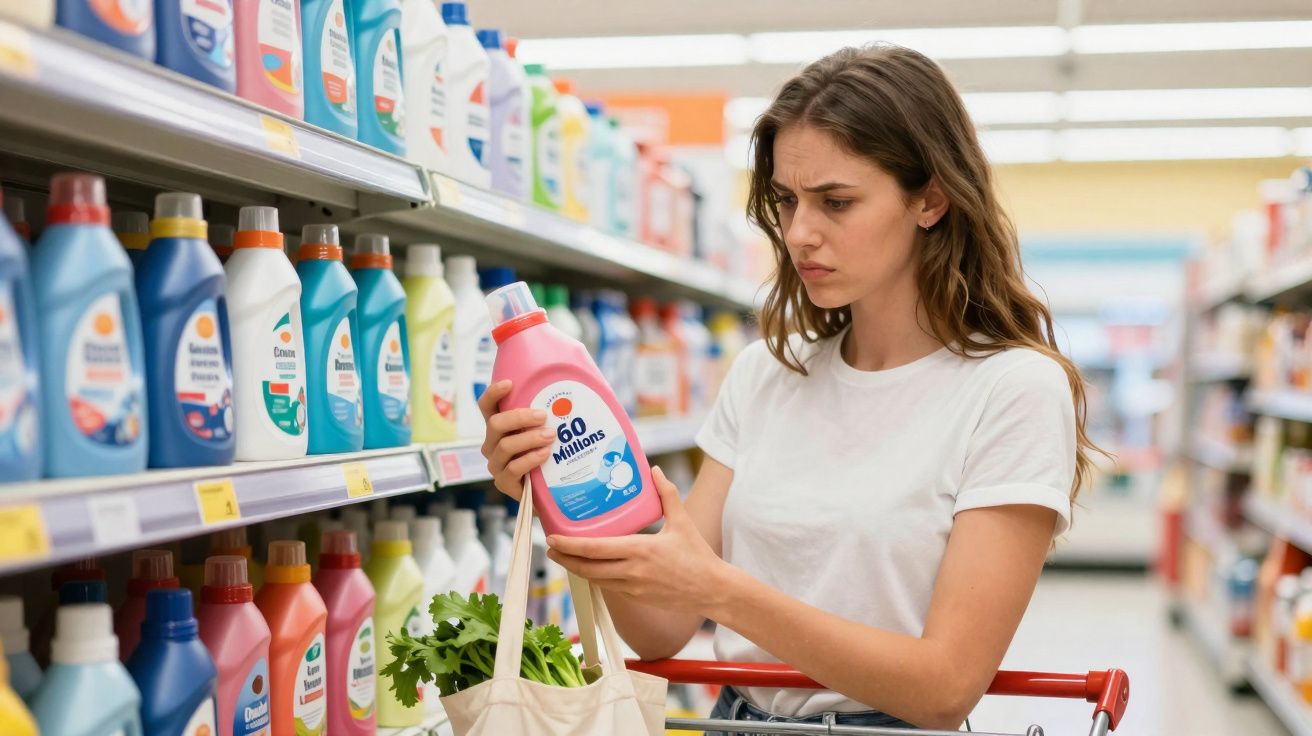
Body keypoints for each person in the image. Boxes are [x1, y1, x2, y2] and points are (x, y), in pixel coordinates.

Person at [477, 43, 1096, 732]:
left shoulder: (1013, 391)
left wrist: (721, 590)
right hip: (734, 721)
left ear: (931, 198)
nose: (800, 234)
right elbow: (661, 630)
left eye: (836, 202)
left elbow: (946, 685)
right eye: (786, 200)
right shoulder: (765, 375)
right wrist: (562, 498)